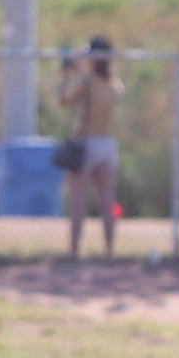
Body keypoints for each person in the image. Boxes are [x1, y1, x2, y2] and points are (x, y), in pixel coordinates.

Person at [61, 36, 124, 261]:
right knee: (107, 202)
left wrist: (67, 75)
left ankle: (74, 251)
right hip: (107, 145)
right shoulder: (115, 85)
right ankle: (109, 252)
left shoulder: (86, 81)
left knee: (78, 202)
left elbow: (64, 99)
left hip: (85, 143)